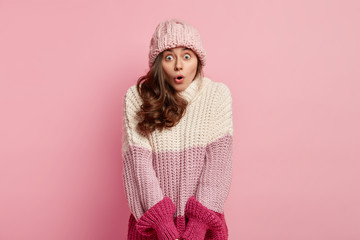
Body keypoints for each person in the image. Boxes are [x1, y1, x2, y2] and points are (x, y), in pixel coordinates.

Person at [122, 18, 233, 240]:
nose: (178, 66)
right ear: (157, 62)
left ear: (198, 61)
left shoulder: (217, 95)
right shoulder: (137, 97)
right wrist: (163, 225)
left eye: (186, 56)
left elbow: (218, 166)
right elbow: (138, 166)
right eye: (169, 57)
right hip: (152, 226)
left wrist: (198, 227)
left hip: (204, 228)